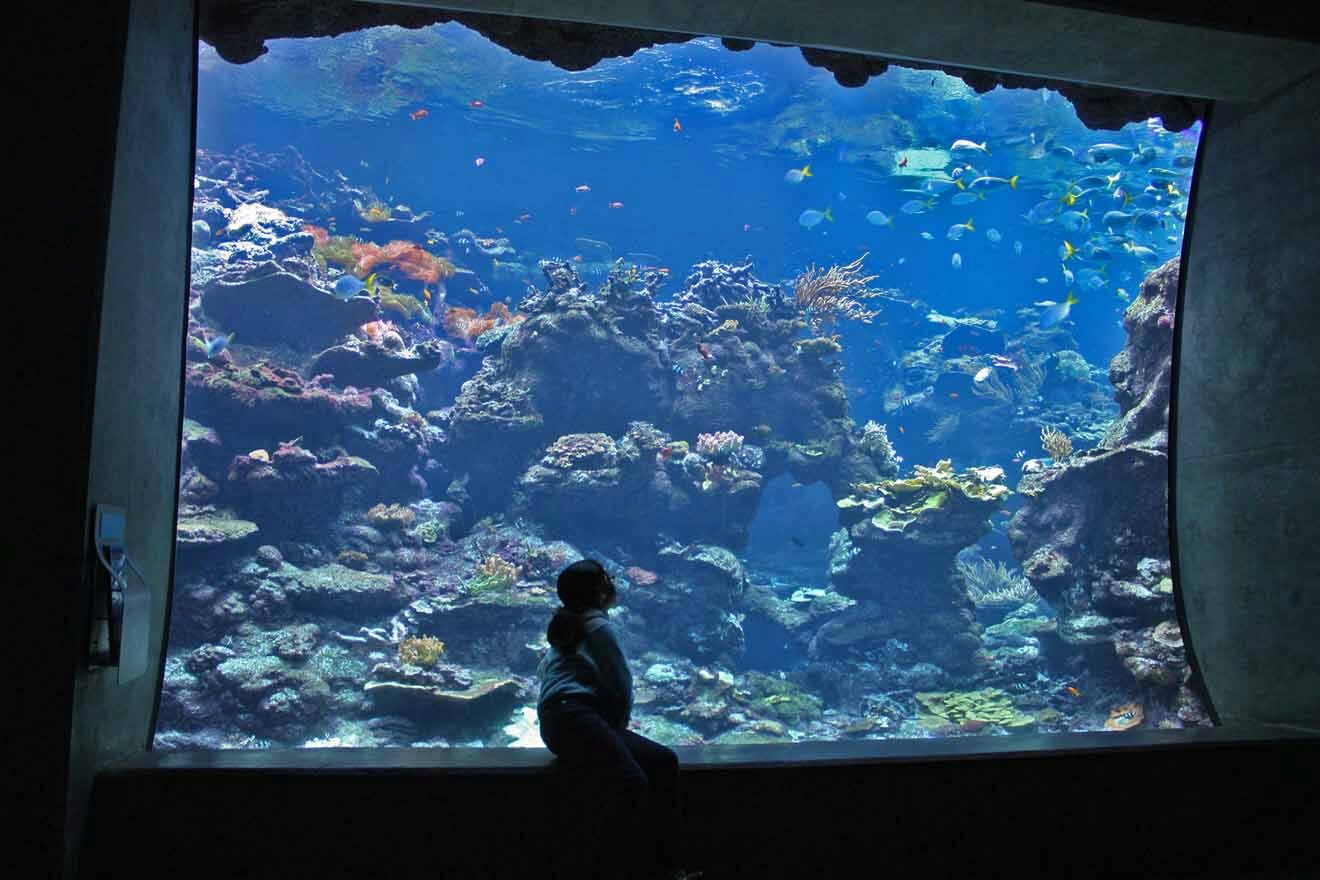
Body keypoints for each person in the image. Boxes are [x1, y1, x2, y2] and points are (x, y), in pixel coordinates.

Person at [536, 559, 702, 880]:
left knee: (664, 761)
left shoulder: (567, 624)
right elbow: (620, 681)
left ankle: (667, 866)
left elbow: (546, 672)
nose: (612, 582)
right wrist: (619, 725)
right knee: (632, 781)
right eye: (606, 578)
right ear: (599, 591)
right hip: (576, 716)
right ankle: (614, 867)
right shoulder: (598, 626)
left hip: (564, 719)